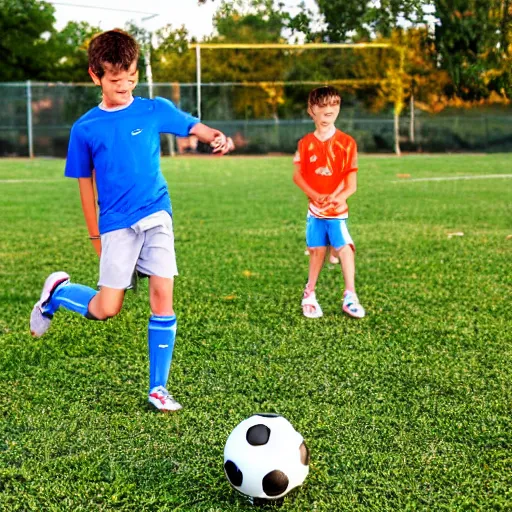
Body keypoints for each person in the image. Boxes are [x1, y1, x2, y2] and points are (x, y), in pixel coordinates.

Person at [29, 30, 234, 412]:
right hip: (115, 224)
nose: (124, 85)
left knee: (162, 295)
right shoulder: (85, 128)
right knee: (107, 309)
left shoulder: (152, 110)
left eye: (130, 76)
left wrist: (215, 137)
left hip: (156, 213)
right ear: (95, 76)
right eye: (114, 79)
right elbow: (85, 186)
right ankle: (57, 293)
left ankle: (158, 388)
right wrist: (95, 235)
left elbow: (192, 126)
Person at [293, 86, 365, 319]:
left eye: (334, 104)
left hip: (336, 211)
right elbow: (298, 176)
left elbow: (351, 185)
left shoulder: (347, 143)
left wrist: (336, 198)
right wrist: (315, 196)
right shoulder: (304, 143)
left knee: (345, 247)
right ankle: (309, 294)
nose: (329, 110)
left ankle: (350, 295)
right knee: (316, 250)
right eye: (323, 105)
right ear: (311, 109)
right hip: (315, 210)